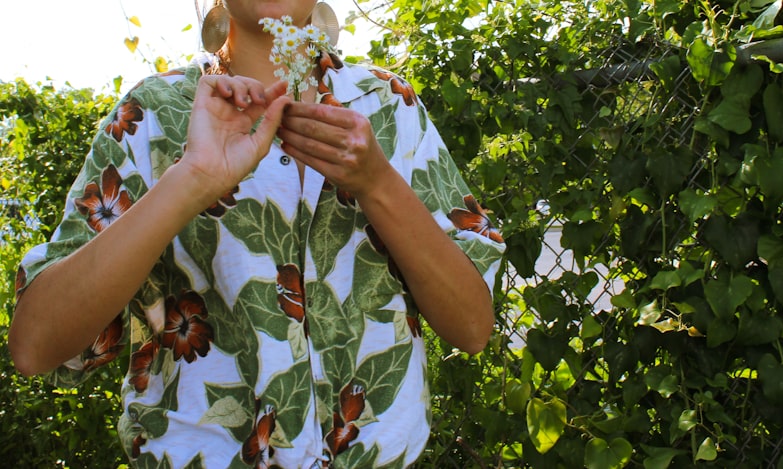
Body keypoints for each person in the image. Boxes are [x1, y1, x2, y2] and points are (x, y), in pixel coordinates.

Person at [7, 0, 505, 467]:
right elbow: (37, 346)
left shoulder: (390, 106)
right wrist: (192, 179)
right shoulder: (154, 115)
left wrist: (377, 183)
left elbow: (472, 327)